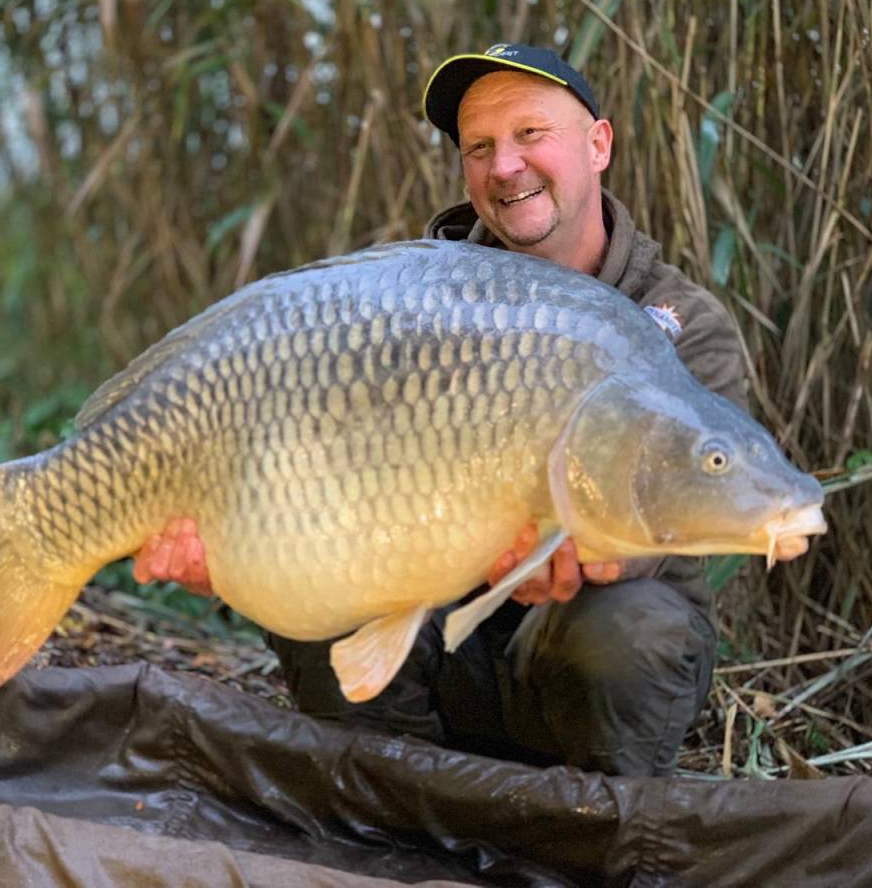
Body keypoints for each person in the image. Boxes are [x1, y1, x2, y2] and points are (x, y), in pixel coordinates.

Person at [137, 43, 788, 777]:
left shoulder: (681, 322)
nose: (504, 166)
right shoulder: (406, 308)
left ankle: (594, 827)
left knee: (632, 629)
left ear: (598, 143)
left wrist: (595, 545)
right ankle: (391, 818)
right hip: (426, 651)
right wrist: (233, 547)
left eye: (530, 135)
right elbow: (310, 492)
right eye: (480, 147)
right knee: (323, 595)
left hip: (582, 661)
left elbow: (689, 498)